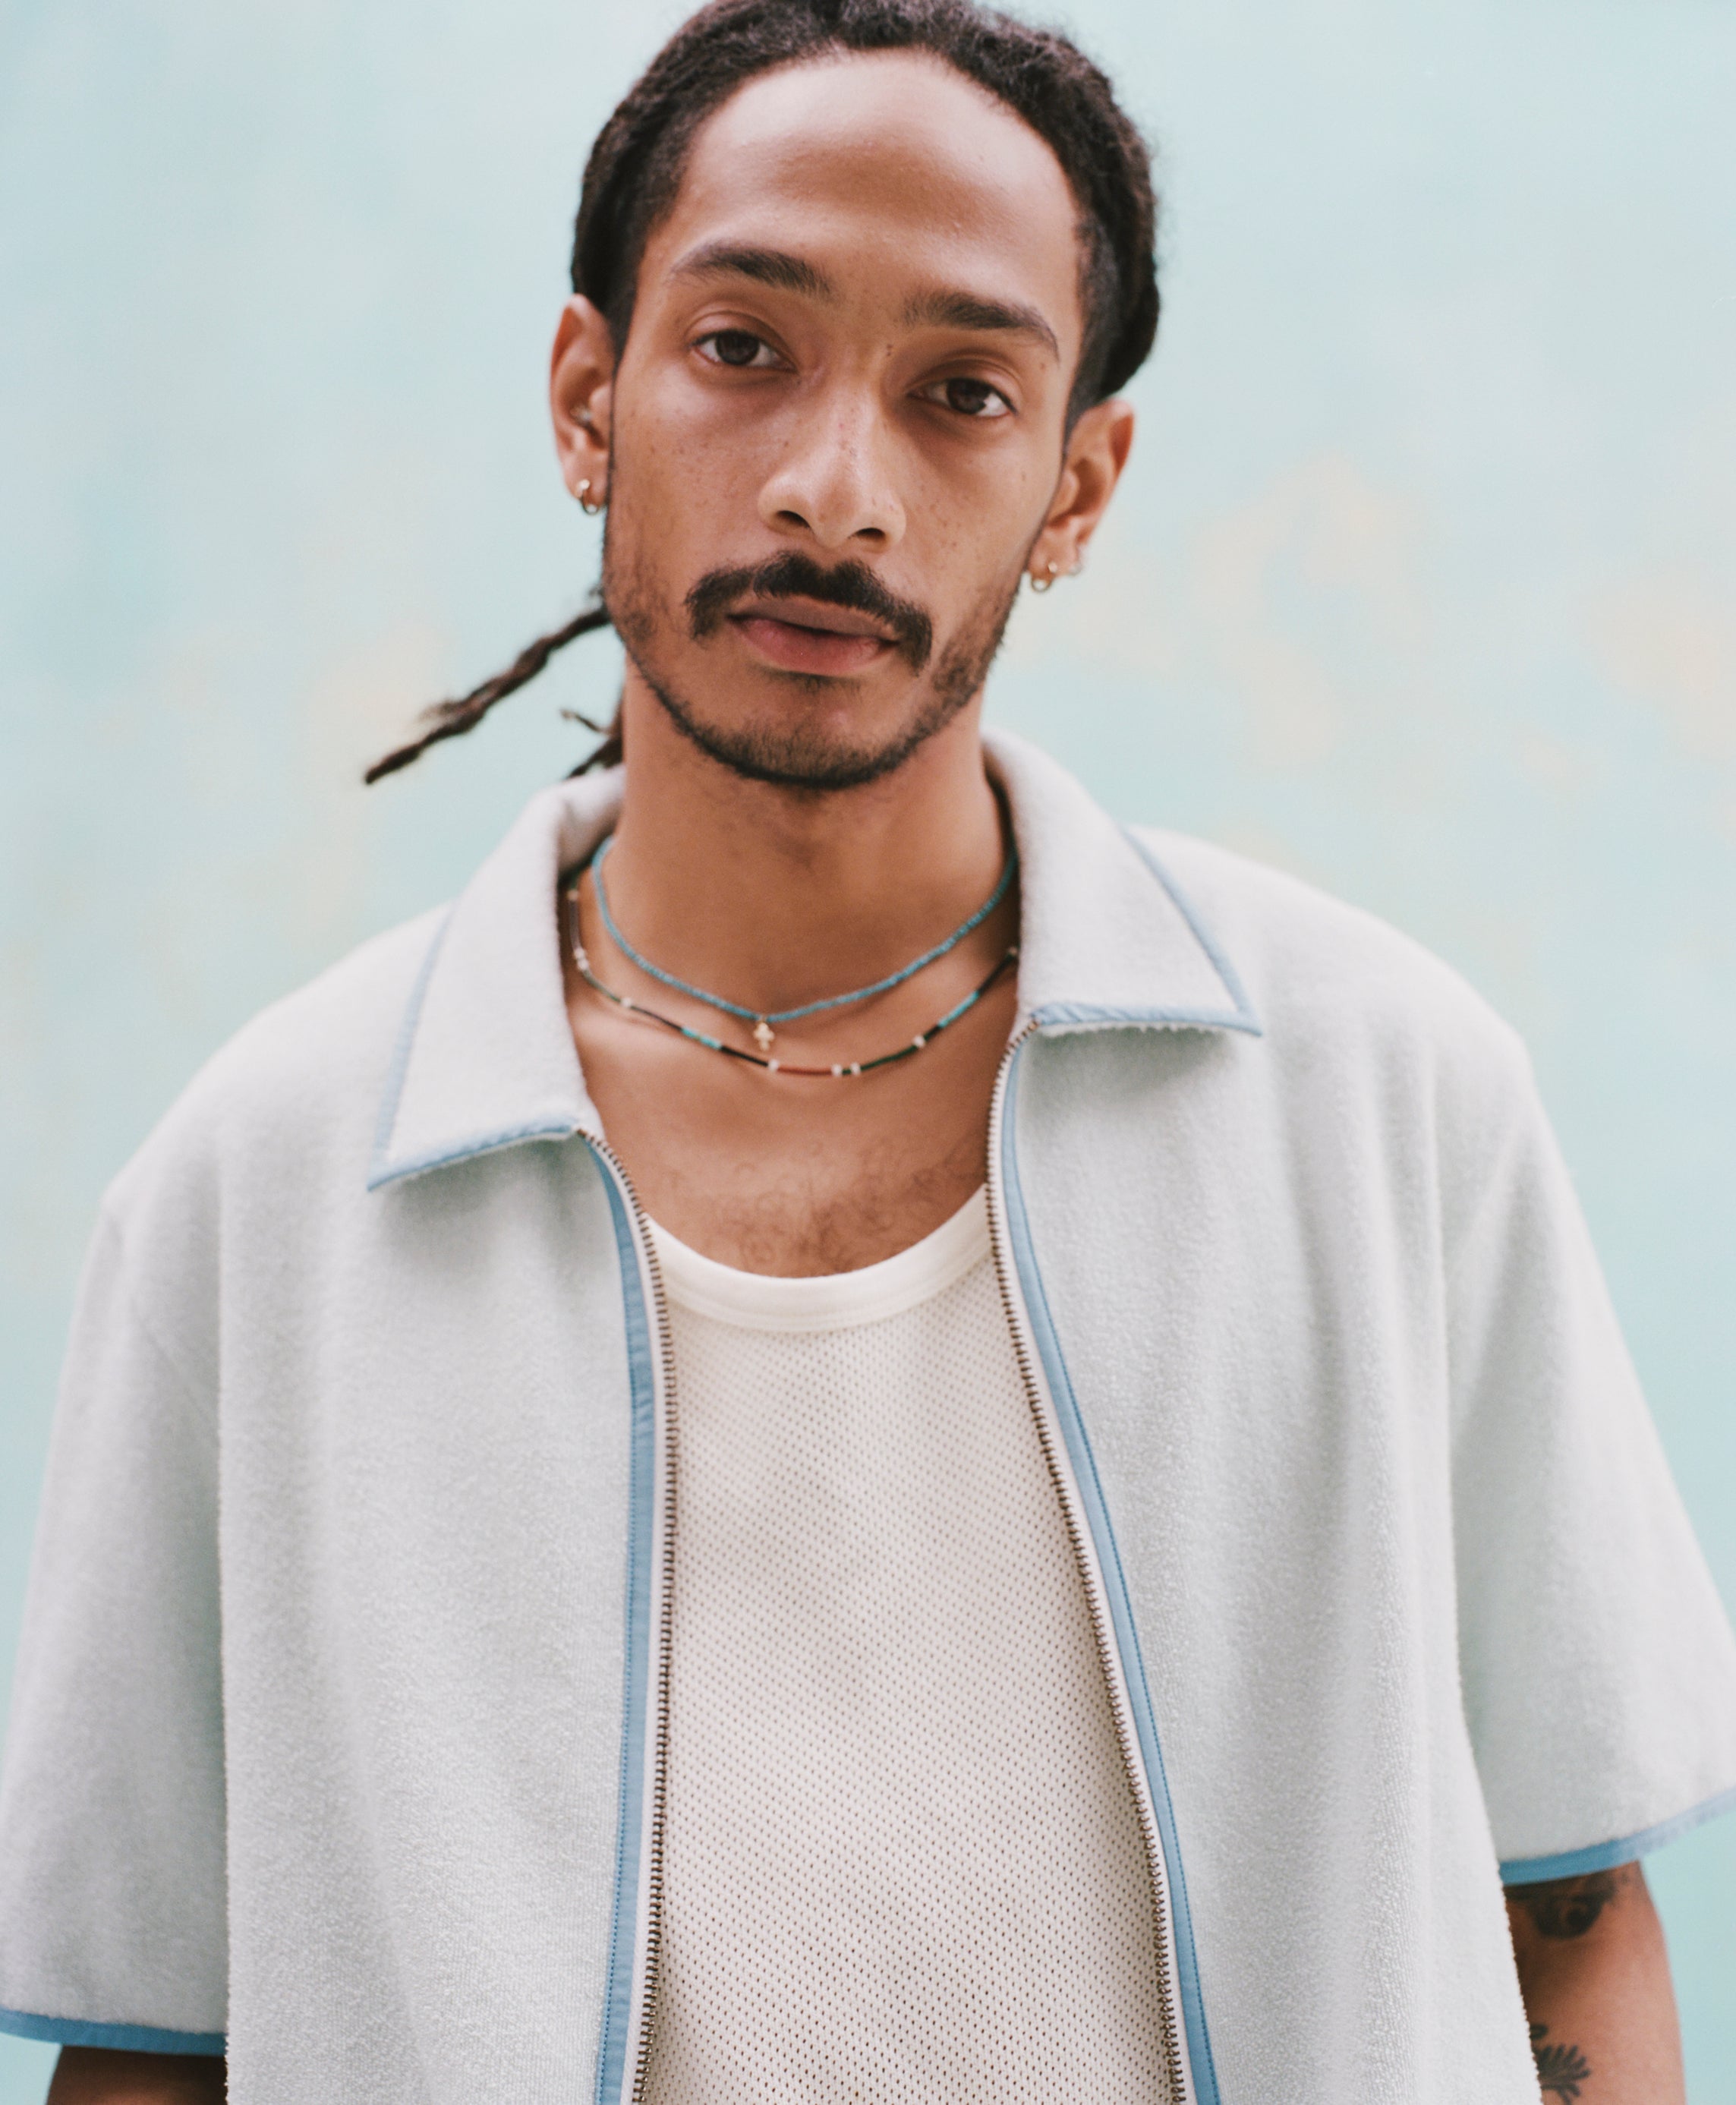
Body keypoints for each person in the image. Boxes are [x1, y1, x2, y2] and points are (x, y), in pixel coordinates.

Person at [5, 2, 1735, 2100]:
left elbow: (1564, 1921)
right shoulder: (252, 1196)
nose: (835, 489)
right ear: (587, 395)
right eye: (743, 348)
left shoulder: (1386, 1100)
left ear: (1078, 481)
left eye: (962, 393)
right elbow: (150, 2053)